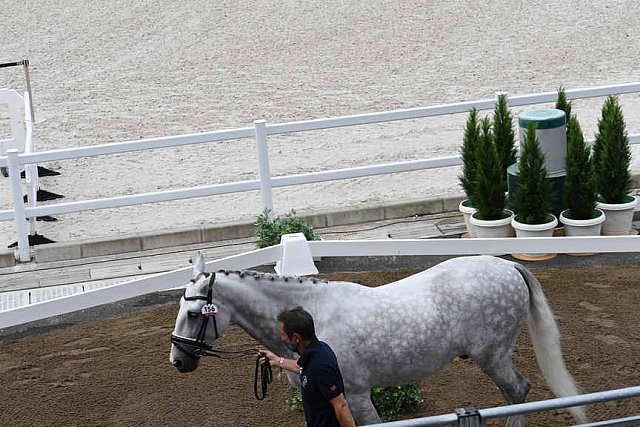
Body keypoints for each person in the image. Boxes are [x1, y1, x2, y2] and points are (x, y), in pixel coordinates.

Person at [259, 306, 356, 427]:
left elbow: (341, 405)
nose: (282, 338)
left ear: (296, 338)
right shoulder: (315, 352)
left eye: (283, 334)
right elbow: (302, 368)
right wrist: (277, 360)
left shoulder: (320, 365)